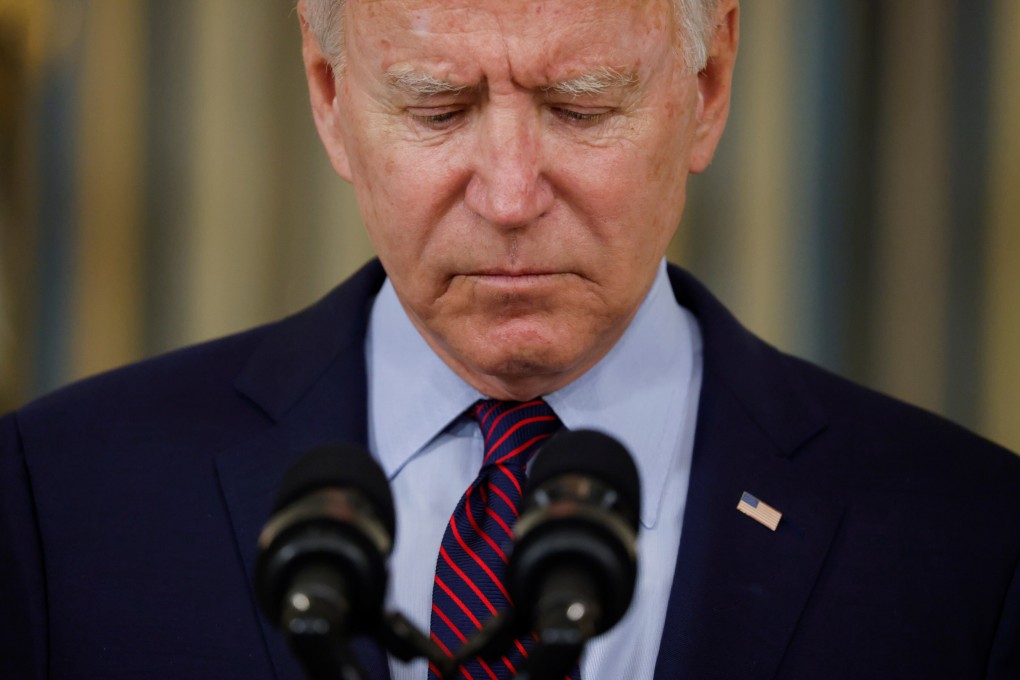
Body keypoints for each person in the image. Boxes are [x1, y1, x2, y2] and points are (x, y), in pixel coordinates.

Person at [1, 0, 1018, 678]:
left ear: (706, 92)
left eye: (581, 110)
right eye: (438, 108)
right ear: (328, 97)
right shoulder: (61, 501)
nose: (511, 194)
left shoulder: (971, 540)